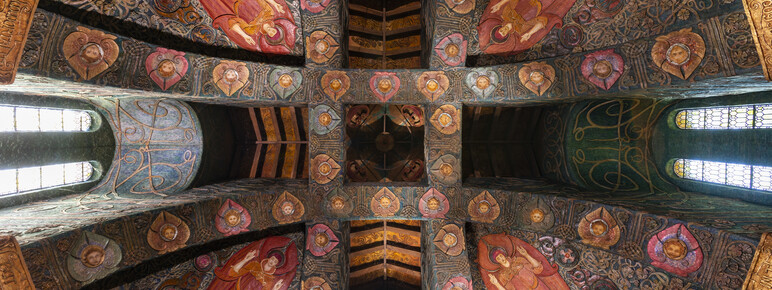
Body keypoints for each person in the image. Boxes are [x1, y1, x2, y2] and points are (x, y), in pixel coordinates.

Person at [201, 0, 296, 54]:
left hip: (230, 3)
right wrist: (276, 4)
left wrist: (245, 36)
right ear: (276, 27)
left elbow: (233, 22)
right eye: (274, 31)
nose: (271, 32)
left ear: (267, 36)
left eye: (271, 35)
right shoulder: (269, 13)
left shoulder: (252, 29)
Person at [479, 234, 569, 290]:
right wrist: (496, 283)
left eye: (501, 256)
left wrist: (526, 255)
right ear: (496, 261)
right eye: (498, 258)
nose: (501, 259)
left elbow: (538, 268)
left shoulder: (518, 260)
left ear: (504, 254)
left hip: (538, 287)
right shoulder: (502, 275)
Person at [208, 236, 298, 290]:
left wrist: (275, 288)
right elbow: (234, 272)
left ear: (276, 265)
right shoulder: (254, 265)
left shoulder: (270, 279)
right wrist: (246, 259)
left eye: (275, 262)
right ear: (269, 258)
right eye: (272, 259)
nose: (272, 262)